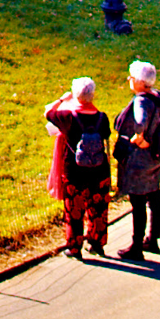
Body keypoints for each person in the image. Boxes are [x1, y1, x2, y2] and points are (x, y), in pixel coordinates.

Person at [114, 61, 160, 261]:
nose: (129, 80)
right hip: (155, 158)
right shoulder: (156, 96)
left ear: (140, 82)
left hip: (140, 160)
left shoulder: (141, 101)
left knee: (138, 201)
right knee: (154, 196)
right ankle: (153, 239)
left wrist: (139, 138)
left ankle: (136, 246)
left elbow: (139, 122)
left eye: (131, 77)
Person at [44, 78, 112, 259]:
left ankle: (74, 247)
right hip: (99, 171)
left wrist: (62, 99)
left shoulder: (67, 117)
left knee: (74, 210)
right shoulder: (102, 117)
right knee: (98, 209)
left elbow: (48, 114)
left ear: (75, 94)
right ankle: (97, 244)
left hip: (74, 172)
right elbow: (106, 134)